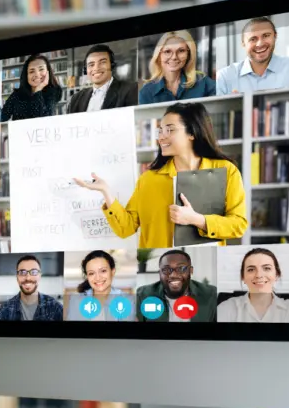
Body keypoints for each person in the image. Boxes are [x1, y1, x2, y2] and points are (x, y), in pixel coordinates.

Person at [74, 102, 248, 248]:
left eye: (170, 130)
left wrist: (197, 220)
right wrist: (106, 191)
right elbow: (125, 228)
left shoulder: (226, 171)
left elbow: (238, 225)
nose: (161, 137)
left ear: (192, 133)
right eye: (160, 131)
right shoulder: (149, 179)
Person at [213, 17, 289, 95]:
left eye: (266, 35)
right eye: (253, 39)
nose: (260, 44)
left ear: (275, 36)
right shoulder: (224, 77)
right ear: (243, 43)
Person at [216, 248, 289, 323]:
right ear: (243, 277)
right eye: (251, 269)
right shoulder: (226, 308)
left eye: (267, 268)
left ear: (277, 275)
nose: (259, 275)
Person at [134, 250, 218, 322]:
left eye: (181, 268)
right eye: (166, 269)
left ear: (190, 271)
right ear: (160, 273)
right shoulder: (142, 295)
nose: (173, 275)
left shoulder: (212, 294)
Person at [137, 30, 216, 104]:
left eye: (181, 51)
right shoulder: (146, 92)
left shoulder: (203, 82)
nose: (174, 57)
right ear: (159, 55)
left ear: (188, 54)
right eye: (167, 51)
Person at [65, 44, 139, 112]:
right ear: (86, 70)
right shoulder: (76, 99)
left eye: (102, 62)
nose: (96, 68)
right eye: (91, 64)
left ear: (112, 65)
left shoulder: (131, 90)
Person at [66, 250, 134, 322]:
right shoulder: (77, 301)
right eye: (91, 273)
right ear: (87, 277)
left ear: (113, 271)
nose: (98, 278)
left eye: (103, 271)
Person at [0, 255, 64, 321]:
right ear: (17, 277)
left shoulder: (55, 308)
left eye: (34, 272)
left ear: (40, 276)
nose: (28, 278)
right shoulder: (4, 311)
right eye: (22, 272)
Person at [1, 54, 61, 120]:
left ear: (48, 72)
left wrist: (38, 90)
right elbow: (1, 117)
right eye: (32, 71)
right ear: (26, 76)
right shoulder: (16, 95)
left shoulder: (53, 92)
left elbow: (44, 120)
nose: (37, 74)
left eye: (41, 69)